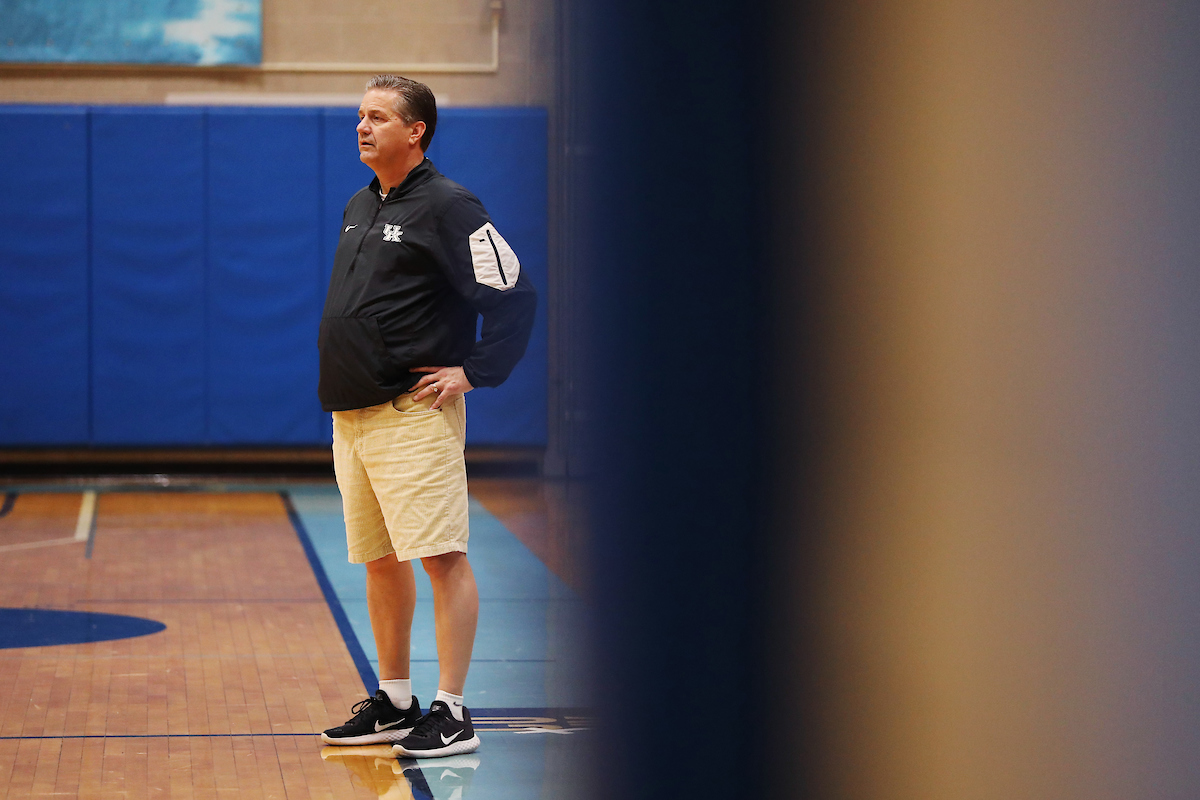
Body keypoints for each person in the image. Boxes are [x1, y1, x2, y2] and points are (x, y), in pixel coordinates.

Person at [317, 74, 536, 759]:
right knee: (380, 562)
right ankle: (395, 700)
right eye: (360, 115)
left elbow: (514, 295)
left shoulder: (449, 205)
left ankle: (452, 711)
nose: (362, 126)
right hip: (352, 417)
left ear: (415, 132)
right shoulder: (360, 203)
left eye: (377, 117)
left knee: (441, 558)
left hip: (412, 415)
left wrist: (473, 372)